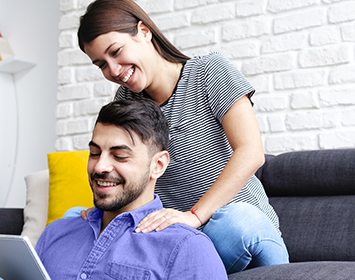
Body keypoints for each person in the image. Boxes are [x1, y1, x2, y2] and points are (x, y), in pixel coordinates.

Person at [74, 0, 289, 273]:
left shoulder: (209, 72)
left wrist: (194, 216)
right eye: (101, 64)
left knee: (236, 221)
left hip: (237, 229)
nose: (114, 71)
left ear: (144, 31)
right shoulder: (127, 100)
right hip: (182, 238)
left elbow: (251, 152)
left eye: (116, 52)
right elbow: (122, 165)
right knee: (73, 221)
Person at [38, 98, 227, 279]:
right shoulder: (55, 233)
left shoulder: (187, 248)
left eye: (119, 156)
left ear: (158, 165)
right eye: (94, 153)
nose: (99, 167)